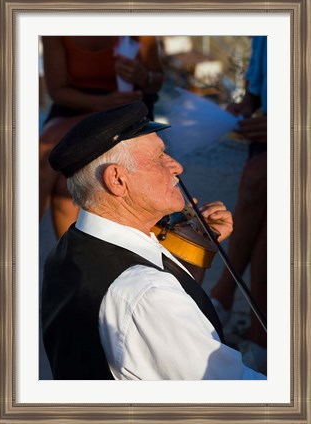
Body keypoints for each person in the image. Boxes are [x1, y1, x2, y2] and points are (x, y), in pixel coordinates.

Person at [41, 100, 266, 380]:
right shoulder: (147, 295)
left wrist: (197, 251)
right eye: (160, 157)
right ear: (117, 180)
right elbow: (238, 393)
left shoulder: (71, 246)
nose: (177, 167)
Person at [39, 36, 163, 238]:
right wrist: (103, 103)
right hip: (77, 104)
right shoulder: (56, 27)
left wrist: (143, 76)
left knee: (63, 179)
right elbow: (58, 91)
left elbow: (156, 80)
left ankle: (67, 261)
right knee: (46, 154)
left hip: (128, 107)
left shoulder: (137, 24)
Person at [210, 36, 267, 373]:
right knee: (266, 216)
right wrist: (245, 105)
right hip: (266, 134)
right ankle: (260, 335)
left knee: (258, 178)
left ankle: (224, 291)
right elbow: (257, 83)